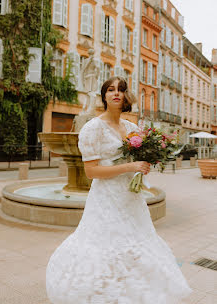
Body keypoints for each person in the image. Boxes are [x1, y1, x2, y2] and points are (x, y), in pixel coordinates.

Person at [46, 76, 192, 304]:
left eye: (121, 90)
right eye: (111, 89)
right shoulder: (92, 128)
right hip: (106, 198)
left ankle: (133, 294)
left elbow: (137, 160)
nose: (116, 93)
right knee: (105, 245)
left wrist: (142, 167)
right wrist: (131, 166)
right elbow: (91, 172)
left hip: (131, 197)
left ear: (125, 96)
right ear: (104, 96)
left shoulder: (133, 128)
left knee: (137, 243)